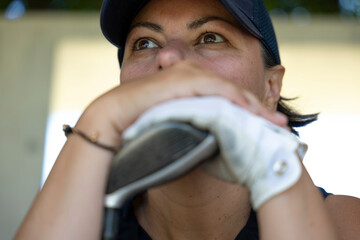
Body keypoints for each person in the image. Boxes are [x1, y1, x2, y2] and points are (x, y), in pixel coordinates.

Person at [15, 0, 360, 239]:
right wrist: (96, 123)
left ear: (271, 87)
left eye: (211, 37)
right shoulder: (81, 222)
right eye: (146, 42)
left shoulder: (345, 224)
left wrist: (276, 164)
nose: (168, 56)